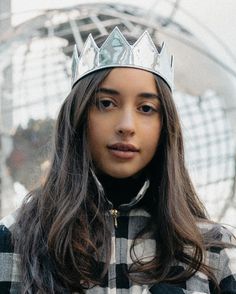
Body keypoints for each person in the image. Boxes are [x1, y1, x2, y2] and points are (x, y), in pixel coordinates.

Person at [0, 27, 235, 294]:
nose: (126, 126)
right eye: (106, 103)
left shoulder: (208, 252)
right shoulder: (16, 238)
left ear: (165, 124)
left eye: (146, 108)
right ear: (79, 115)